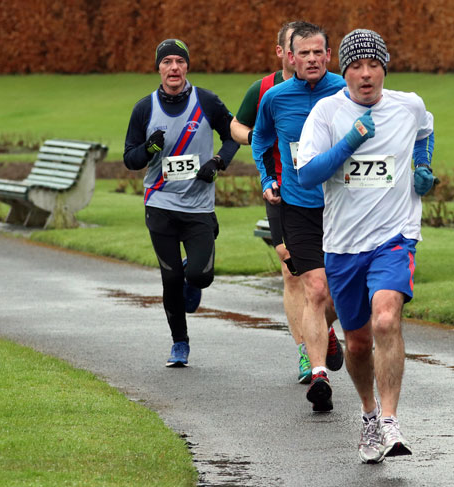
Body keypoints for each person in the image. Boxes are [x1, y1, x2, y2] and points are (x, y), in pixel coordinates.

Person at [297, 29, 435, 463]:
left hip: (394, 238)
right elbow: (307, 174)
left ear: (384, 68)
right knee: (357, 344)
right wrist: (351, 141)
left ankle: (392, 421)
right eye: (356, 66)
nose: (365, 74)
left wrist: (424, 164)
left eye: (373, 65)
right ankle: (370, 414)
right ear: (346, 72)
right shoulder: (326, 112)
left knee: (387, 318)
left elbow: (425, 130)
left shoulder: (407, 105)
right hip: (342, 245)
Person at [123, 38, 239, 367]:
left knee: (201, 277)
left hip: (199, 205)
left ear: (187, 66)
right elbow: (130, 159)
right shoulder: (145, 108)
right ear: (158, 68)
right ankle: (179, 343)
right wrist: (148, 149)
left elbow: (234, 135)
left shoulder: (206, 101)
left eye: (179, 61)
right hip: (160, 203)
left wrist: (217, 162)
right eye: (167, 62)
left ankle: (193, 270)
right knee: (170, 279)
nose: (174, 67)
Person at [251, 21, 346, 412]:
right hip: (297, 205)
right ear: (290, 57)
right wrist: (267, 176)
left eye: (317, 52)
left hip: (342, 206)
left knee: (339, 292)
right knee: (314, 289)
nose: (311, 59)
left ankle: (324, 330)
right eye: (302, 53)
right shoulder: (275, 98)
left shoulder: (345, 90)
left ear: (328, 54)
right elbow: (260, 138)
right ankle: (319, 373)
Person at [230, 21, 310, 384]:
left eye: (311, 50)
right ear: (282, 52)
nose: (303, 56)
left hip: (326, 191)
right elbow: (235, 125)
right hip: (279, 189)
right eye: (295, 49)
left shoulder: (333, 87)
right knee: (292, 273)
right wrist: (257, 136)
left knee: (335, 276)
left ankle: (322, 329)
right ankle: (305, 353)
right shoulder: (264, 89)